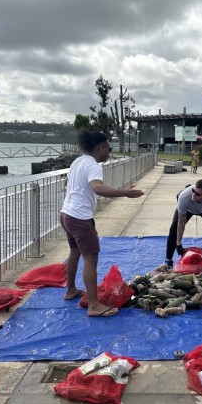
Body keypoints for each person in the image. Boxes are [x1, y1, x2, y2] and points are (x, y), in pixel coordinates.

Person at [60, 130, 144, 317]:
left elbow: (67, 183)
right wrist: (124, 193)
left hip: (66, 213)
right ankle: (93, 305)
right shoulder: (93, 166)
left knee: (74, 252)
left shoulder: (78, 161)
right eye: (108, 148)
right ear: (101, 148)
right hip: (80, 218)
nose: (109, 152)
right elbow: (97, 187)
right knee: (91, 259)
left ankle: (71, 289)